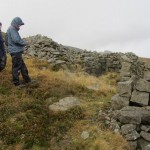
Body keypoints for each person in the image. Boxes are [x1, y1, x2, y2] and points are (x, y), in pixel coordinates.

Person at [6, 17, 31, 86]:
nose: (20, 26)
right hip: (15, 51)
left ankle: (27, 80)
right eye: (19, 24)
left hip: (15, 51)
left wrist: (11, 47)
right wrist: (25, 43)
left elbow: (7, 42)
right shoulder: (12, 29)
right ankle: (16, 83)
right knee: (16, 67)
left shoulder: (10, 29)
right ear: (15, 23)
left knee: (22, 66)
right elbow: (16, 40)